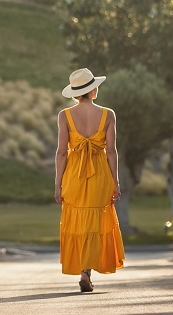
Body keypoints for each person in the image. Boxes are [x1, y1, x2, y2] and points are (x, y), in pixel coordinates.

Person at [54, 67, 125, 292]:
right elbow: (112, 151)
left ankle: (84, 270)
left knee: (79, 221)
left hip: (74, 175)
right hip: (100, 174)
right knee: (95, 222)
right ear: (92, 89)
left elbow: (61, 152)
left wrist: (58, 184)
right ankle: (87, 272)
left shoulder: (64, 115)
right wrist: (116, 181)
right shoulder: (108, 114)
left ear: (76, 92)